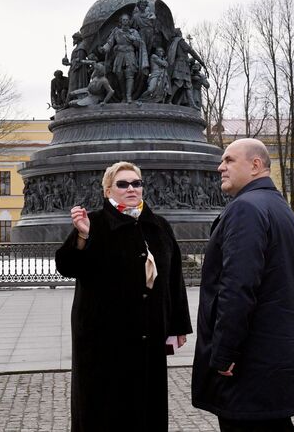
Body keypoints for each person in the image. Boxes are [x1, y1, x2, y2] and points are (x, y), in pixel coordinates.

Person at [55, 161, 192, 432]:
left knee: (146, 408)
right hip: (103, 339)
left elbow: (174, 278)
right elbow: (67, 267)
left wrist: (177, 326)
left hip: (149, 336)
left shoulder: (159, 226)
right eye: (123, 184)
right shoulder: (93, 222)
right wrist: (82, 237)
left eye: (136, 183)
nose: (131, 188)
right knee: (106, 410)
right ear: (108, 190)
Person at [191, 138, 294, 432]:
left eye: (229, 160)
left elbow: (238, 287)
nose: (220, 167)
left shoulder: (245, 209)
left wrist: (224, 352)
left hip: (248, 361)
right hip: (274, 353)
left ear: (256, 165)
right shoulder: (278, 207)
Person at [101, 13, 149, 103]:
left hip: (130, 54)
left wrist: (132, 38)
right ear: (121, 21)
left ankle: (129, 96)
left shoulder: (133, 32)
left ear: (129, 21)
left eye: (127, 20)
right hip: (119, 55)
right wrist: (104, 48)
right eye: (123, 20)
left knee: (129, 74)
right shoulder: (116, 31)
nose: (125, 22)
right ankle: (123, 94)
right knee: (119, 74)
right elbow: (110, 42)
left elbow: (139, 44)